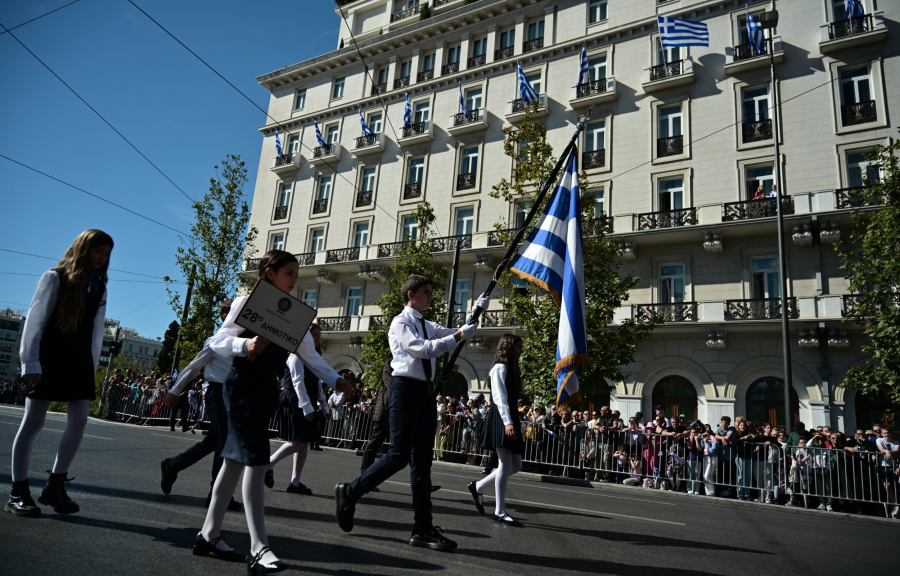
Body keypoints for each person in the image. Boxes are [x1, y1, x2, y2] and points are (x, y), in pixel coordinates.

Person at [194, 250, 351, 573]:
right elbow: (217, 341)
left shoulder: (296, 316)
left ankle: (208, 534)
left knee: (234, 462)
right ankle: (258, 546)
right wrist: (244, 345)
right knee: (255, 459)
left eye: (296, 274)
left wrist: (336, 379)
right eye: (289, 273)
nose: (294, 279)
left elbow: (310, 355)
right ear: (269, 274)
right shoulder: (245, 302)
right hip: (239, 387)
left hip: (266, 389)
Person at [334, 274, 481, 551]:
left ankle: (422, 528)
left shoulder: (426, 323)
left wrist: (474, 316)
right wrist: (459, 335)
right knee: (398, 455)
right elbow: (423, 350)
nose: (430, 296)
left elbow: (449, 333)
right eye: (426, 291)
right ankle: (350, 491)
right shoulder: (401, 323)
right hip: (404, 390)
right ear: (411, 294)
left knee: (422, 463)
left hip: (424, 392)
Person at [6, 230, 113, 518]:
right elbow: (35, 321)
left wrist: (91, 368)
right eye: (98, 252)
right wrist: (30, 363)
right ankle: (18, 491)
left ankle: (55, 484)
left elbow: (96, 333)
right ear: (84, 248)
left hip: (79, 362)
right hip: (49, 358)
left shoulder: (100, 288)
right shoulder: (54, 277)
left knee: (79, 421)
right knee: (33, 421)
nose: (102, 259)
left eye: (106, 254)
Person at [160, 300, 242, 510]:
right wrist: (175, 391)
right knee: (223, 442)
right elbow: (193, 365)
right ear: (226, 317)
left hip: (234, 396)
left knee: (213, 441)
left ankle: (172, 465)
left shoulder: (244, 341)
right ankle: (218, 495)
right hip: (216, 393)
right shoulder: (215, 340)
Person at [264, 323, 335, 495]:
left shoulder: (314, 356)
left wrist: (324, 406)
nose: (317, 337)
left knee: (304, 443)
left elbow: (317, 383)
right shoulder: (296, 354)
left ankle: (295, 482)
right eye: (314, 334)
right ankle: (267, 464)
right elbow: (297, 382)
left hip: (306, 399)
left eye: (319, 334)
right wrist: (306, 406)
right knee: (297, 441)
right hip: (296, 399)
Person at [467, 333, 525, 526]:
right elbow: (499, 398)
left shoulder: (512, 368)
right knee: (505, 464)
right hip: (502, 418)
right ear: (509, 348)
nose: (521, 350)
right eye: (518, 347)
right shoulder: (499, 368)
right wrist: (508, 422)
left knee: (516, 465)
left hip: (509, 417)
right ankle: (499, 511)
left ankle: (479, 486)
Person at [359, 353, 393, 477]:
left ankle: (421, 480)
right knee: (375, 442)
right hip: (384, 411)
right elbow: (391, 385)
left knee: (407, 445)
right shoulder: (390, 363)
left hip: (393, 411)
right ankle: (366, 472)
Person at [875, 428, 900, 519]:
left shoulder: (896, 442)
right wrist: (886, 451)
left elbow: (897, 450)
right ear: (882, 434)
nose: (886, 435)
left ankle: (894, 508)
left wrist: (889, 451)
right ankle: (896, 505)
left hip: (894, 466)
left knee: (895, 488)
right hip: (883, 466)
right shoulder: (879, 440)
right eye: (884, 433)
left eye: (888, 433)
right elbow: (881, 449)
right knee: (887, 485)